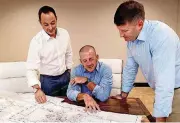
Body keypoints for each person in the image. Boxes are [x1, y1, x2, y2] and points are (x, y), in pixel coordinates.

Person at [113, 0, 180, 122]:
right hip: (161, 90)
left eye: (124, 31)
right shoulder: (132, 40)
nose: (121, 35)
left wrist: (160, 119)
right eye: (119, 30)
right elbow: (131, 66)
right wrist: (124, 94)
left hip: (176, 91)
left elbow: (164, 81)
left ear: (139, 24)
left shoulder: (161, 35)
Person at [26, 6, 73, 104]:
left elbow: (68, 53)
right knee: (51, 108)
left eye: (53, 23)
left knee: (69, 105)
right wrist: (37, 89)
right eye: (46, 24)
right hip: (48, 81)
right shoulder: (36, 41)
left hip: (65, 77)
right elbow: (31, 68)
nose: (50, 27)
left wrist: (69, 71)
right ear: (40, 23)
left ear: (56, 18)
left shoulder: (65, 33)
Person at [67, 45, 112, 112]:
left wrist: (87, 81)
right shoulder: (76, 70)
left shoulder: (105, 69)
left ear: (97, 57)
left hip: (101, 106)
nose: (89, 63)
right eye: (85, 61)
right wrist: (85, 96)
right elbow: (70, 93)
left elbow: (103, 96)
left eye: (91, 59)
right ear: (81, 61)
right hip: (82, 105)